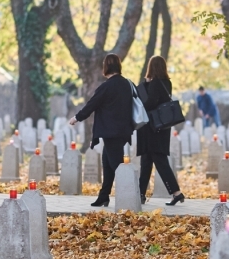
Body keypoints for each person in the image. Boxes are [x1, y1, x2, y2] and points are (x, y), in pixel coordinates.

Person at [69, 53, 134, 207]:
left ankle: (130, 195)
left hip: (111, 132)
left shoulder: (106, 86)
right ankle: (104, 196)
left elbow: (92, 104)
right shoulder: (127, 84)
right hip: (123, 130)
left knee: (117, 165)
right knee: (107, 164)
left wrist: (77, 118)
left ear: (106, 67)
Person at [136, 56, 185, 206]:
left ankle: (177, 193)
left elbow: (150, 103)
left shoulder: (155, 84)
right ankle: (140, 194)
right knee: (146, 162)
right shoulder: (166, 83)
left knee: (160, 161)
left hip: (152, 130)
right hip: (161, 129)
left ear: (151, 67)